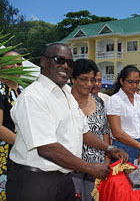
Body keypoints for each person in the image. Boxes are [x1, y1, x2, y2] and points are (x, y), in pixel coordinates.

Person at [6, 43, 128, 201]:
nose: (65, 66)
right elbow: (47, 148)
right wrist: (90, 168)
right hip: (35, 182)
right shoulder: (33, 96)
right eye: (59, 60)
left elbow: (83, 132)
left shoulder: (66, 94)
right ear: (43, 61)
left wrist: (109, 148)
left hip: (64, 179)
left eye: (70, 63)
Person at [71, 59, 111, 201]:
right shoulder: (65, 102)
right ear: (73, 78)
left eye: (92, 80)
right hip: (72, 168)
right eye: (84, 79)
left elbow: (105, 131)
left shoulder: (98, 101)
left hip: (97, 168)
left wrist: (107, 158)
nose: (89, 84)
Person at [107, 65, 140, 168]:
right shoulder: (115, 100)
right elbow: (116, 132)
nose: (134, 85)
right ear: (122, 81)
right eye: (130, 82)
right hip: (124, 149)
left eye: (137, 82)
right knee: (126, 183)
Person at [0, 50, 24, 200]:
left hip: (21, 157)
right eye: (10, 63)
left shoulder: (24, 92)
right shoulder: (1, 90)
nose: (15, 66)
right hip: (4, 156)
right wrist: (25, 144)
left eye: (19, 63)